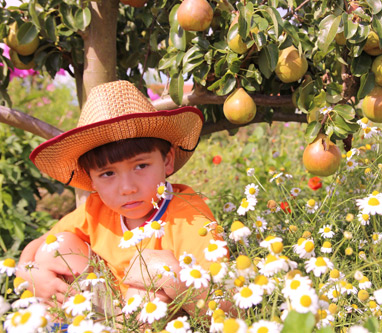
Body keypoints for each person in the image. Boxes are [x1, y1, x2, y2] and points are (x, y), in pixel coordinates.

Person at [16, 80, 225, 317]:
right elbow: (39, 245)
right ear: (91, 179)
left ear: (167, 160)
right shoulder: (96, 209)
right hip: (107, 314)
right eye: (108, 173)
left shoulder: (188, 216)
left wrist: (172, 276)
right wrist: (30, 273)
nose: (127, 188)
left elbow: (226, 308)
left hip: (156, 320)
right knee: (57, 248)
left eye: (141, 166)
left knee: (149, 281)